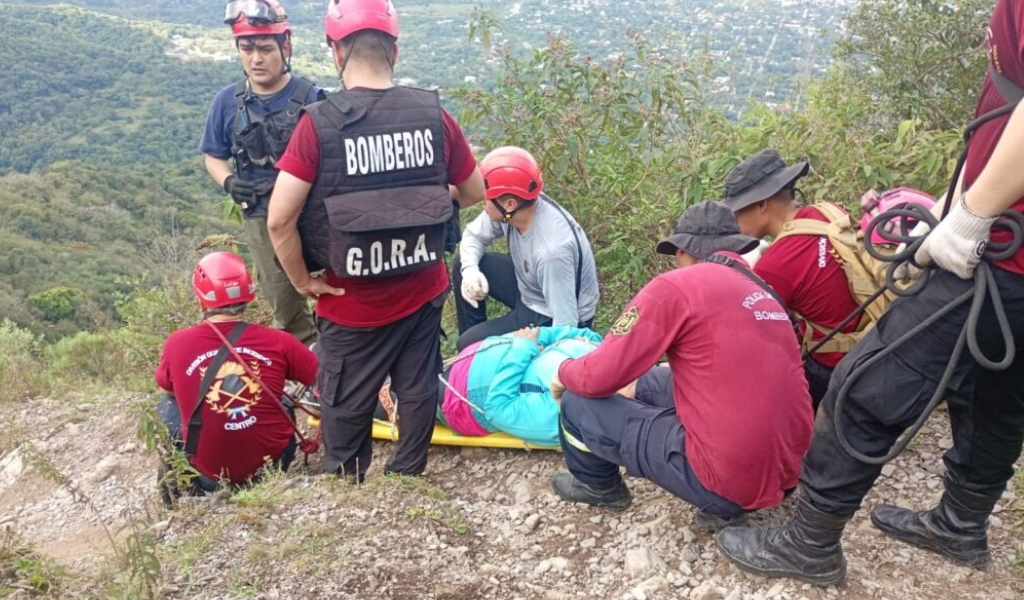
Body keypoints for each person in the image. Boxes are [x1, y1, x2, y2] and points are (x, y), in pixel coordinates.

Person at [717, 0, 1024, 586]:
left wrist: (971, 217)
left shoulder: (781, 254)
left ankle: (809, 543)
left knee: (863, 387)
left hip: (999, 253)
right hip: (1004, 241)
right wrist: (955, 203)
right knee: (995, 393)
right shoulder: (820, 216)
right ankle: (961, 524)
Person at [266, 0, 485, 480]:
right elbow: (474, 191)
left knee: (345, 400)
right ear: (395, 51)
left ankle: (348, 481)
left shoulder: (318, 126)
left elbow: (279, 221)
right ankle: (408, 474)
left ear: (336, 51)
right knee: (418, 386)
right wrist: (426, 197)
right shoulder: (434, 115)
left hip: (351, 303)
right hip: (423, 287)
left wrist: (302, 282)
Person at [550, 201, 814, 531]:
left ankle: (599, 486)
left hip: (729, 483)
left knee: (577, 401)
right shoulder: (764, 292)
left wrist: (563, 372)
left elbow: (598, 375)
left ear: (683, 251)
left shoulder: (676, 286)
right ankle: (731, 490)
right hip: (790, 473)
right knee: (647, 380)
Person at [200, 0, 320, 347]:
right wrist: (229, 181)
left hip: (314, 213)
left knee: (337, 291)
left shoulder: (313, 98)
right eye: (247, 48)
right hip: (261, 216)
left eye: (265, 49)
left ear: (285, 47)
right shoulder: (227, 102)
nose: (256, 59)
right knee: (285, 304)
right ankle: (307, 362)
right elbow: (214, 156)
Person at [154, 252, 317, 501]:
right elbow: (322, 379)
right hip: (273, 466)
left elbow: (167, 390)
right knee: (282, 400)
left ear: (201, 301)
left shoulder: (177, 343)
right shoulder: (278, 341)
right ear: (250, 296)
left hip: (209, 477)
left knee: (167, 404)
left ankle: (183, 473)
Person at [722, 149, 860, 410]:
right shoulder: (828, 211)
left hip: (834, 369)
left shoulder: (774, 265)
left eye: (738, 212)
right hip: (873, 345)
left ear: (762, 204)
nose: (736, 221)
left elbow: (751, 334)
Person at [453, 146, 599, 351]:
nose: (481, 202)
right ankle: (473, 354)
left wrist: (542, 350)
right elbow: (473, 236)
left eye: (486, 197)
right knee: (463, 262)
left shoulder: (552, 252)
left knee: (467, 343)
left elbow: (567, 326)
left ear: (510, 204)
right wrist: (470, 271)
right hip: (530, 287)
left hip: (551, 315)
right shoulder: (515, 207)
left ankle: (474, 349)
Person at [419, 325, 604, 447]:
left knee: (410, 395)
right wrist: (536, 337)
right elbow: (585, 335)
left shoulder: (568, 411)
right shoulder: (603, 358)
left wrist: (523, 348)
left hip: (459, 397)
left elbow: (498, 409)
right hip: (475, 359)